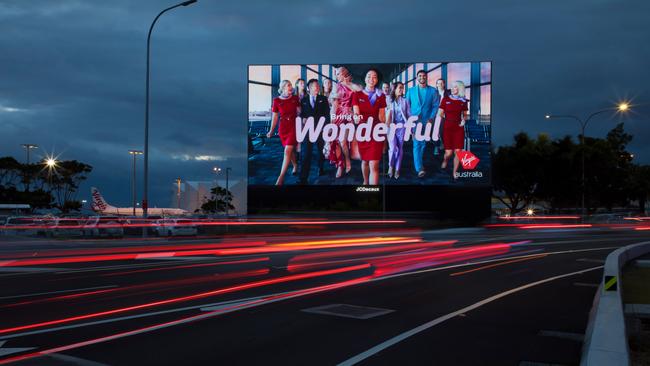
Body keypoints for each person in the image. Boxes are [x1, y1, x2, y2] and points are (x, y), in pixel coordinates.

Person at [352, 69, 386, 185]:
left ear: (377, 80)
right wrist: (356, 118)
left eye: (374, 77)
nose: (371, 79)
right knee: (365, 161)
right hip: (363, 131)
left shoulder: (381, 96)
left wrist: (384, 135)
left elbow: (382, 117)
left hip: (376, 131)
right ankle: (365, 182)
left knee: (374, 164)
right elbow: (356, 113)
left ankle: (373, 192)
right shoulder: (357, 95)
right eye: (369, 76)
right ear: (365, 79)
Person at [406, 69, 440, 177]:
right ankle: (419, 168)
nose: (422, 77)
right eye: (420, 76)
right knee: (417, 144)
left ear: (426, 77)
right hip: (415, 121)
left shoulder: (433, 91)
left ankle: (419, 163)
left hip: (427, 121)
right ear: (417, 78)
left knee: (423, 144)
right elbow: (407, 107)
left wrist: (431, 118)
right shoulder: (410, 91)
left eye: (424, 76)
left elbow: (435, 106)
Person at [329, 66, 362, 178]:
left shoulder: (355, 87)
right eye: (336, 74)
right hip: (337, 116)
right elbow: (334, 105)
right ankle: (340, 165)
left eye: (338, 74)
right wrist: (332, 122)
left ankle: (347, 160)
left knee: (342, 141)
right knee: (336, 141)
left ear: (343, 74)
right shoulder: (336, 87)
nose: (336, 76)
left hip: (348, 116)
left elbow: (360, 98)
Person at [267, 80, 300, 185]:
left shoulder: (295, 98)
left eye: (291, 85)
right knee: (290, 151)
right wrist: (271, 131)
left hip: (294, 126)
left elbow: (300, 112)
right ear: (283, 88)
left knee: (287, 150)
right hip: (283, 128)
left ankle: (281, 177)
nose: (291, 87)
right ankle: (295, 165)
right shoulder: (276, 100)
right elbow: (275, 117)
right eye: (288, 85)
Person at [299, 79, 329, 184]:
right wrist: (302, 118)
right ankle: (303, 178)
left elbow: (327, 115)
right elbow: (301, 114)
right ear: (308, 88)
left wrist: (326, 127)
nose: (316, 88)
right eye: (313, 86)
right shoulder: (304, 100)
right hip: (308, 130)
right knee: (306, 153)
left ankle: (320, 167)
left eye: (317, 86)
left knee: (320, 151)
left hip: (320, 129)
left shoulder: (323, 99)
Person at [438, 80, 469, 182]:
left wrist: (464, 120)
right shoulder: (445, 99)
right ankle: (445, 160)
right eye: (452, 87)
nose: (452, 88)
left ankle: (455, 172)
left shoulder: (463, 101)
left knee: (458, 151)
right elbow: (440, 113)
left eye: (455, 87)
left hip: (459, 128)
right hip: (447, 128)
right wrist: (447, 116)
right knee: (449, 153)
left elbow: (465, 115)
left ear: (459, 89)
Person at [386, 82, 408, 179]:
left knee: (400, 148)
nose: (401, 90)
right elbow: (386, 115)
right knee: (392, 147)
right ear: (394, 89)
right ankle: (391, 166)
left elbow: (409, 114)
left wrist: (411, 128)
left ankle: (397, 169)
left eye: (402, 88)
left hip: (401, 127)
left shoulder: (405, 101)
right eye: (399, 88)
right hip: (390, 127)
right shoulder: (388, 100)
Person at [432, 78, 450, 156]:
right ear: (436, 85)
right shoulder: (434, 93)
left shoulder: (448, 93)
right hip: (436, 115)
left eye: (442, 83)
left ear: (444, 84)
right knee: (435, 132)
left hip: (445, 115)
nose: (440, 85)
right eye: (438, 83)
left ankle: (442, 143)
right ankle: (437, 146)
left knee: (443, 132)